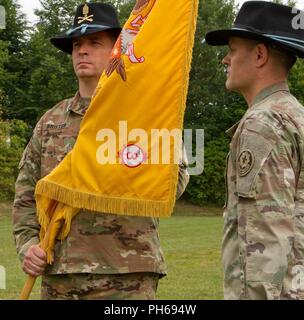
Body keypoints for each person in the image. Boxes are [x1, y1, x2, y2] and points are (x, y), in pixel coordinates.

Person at [12, 2, 189, 300]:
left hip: (125, 273)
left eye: (95, 42)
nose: (82, 50)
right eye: (77, 44)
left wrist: (109, 173)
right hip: (60, 273)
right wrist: (28, 245)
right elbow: (26, 193)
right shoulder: (50, 122)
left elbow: (175, 180)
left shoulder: (143, 116)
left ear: (116, 51)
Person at [205, 1, 304, 299]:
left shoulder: (263, 122)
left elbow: (262, 243)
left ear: (259, 54)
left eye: (232, 49)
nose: (225, 60)